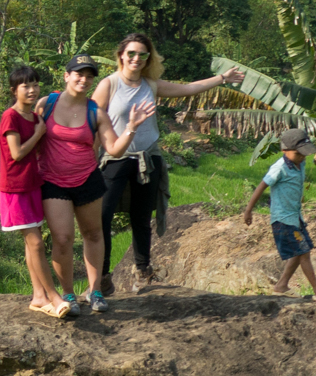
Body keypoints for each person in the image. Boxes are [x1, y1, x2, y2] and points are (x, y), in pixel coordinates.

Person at [94, 31, 246, 292]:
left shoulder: (150, 85)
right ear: (121, 55)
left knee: (141, 217)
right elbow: (93, 121)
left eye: (143, 54)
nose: (137, 58)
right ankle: (103, 277)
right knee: (103, 217)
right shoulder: (109, 84)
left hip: (148, 158)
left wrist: (222, 78)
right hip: (115, 158)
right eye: (131, 53)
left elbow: (188, 89)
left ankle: (142, 272)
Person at [37, 54, 110, 312]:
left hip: (88, 178)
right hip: (52, 181)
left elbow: (112, 145)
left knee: (93, 233)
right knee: (63, 238)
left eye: (89, 76)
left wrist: (132, 127)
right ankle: (68, 295)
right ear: (66, 76)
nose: (84, 79)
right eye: (79, 74)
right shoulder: (47, 104)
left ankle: (95, 291)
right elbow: (26, 129)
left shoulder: (95, 110)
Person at [240, 127, 316, 304]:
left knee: (298, 253)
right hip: (282, 220)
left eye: (304, 154)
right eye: (299, 154)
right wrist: (248, 211)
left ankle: (281, 286)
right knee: (303, 252)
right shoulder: (279, 168)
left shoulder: (300, 164)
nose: (302, 157)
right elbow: (261, 186)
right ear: (284, 151)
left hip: (296, 218)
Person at [0, 65, 61, 317]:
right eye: (26, 86)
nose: (32, 90)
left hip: (33, 184)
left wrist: (39, 128)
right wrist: (38, 133)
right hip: (15, 188)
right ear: (14, 90)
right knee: (35, 243)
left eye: (35, 84)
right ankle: (53, 296)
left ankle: (38, 296)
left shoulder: (34, 118)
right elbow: (17, 152)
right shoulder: (10, 117)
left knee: (31, 244)